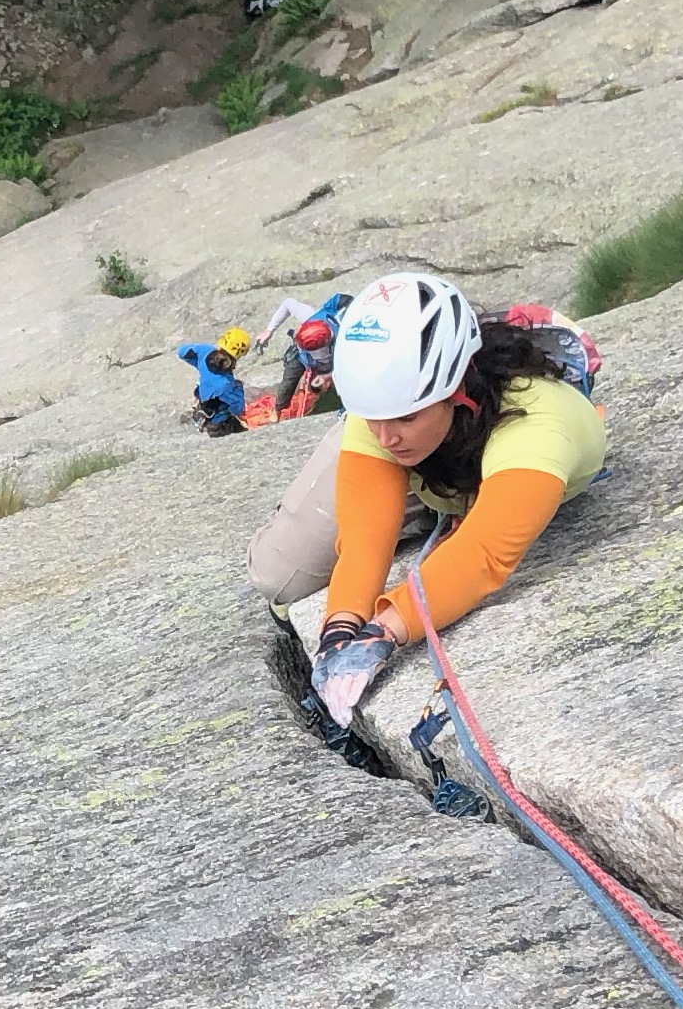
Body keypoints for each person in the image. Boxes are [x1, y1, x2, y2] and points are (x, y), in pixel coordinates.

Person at [247, 269, 607, 733]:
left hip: (490, 467)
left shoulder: (540, 427)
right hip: (428, 468)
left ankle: (427, 508)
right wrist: (338, 629)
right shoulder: (385, 412)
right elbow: (364, 535)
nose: (384, 435)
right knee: (276, 575)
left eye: (404, 417)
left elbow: (484, 553)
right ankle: (422, 501)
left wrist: (384, 632)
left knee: (455, 528)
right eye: (371, 415)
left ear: (456, 391)